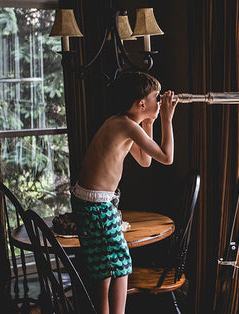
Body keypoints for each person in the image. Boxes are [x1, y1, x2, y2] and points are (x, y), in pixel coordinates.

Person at [70, 71, 178, 314]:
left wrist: (149, 122)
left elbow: (145, 161)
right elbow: (166, 157)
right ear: (142, 104)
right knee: (120, 265)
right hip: (97, 205)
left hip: (89, 201)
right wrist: (167, 119)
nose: (160, 102)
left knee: (103, 266)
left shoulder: (120, 122)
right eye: (156, 97)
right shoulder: (126, 126)